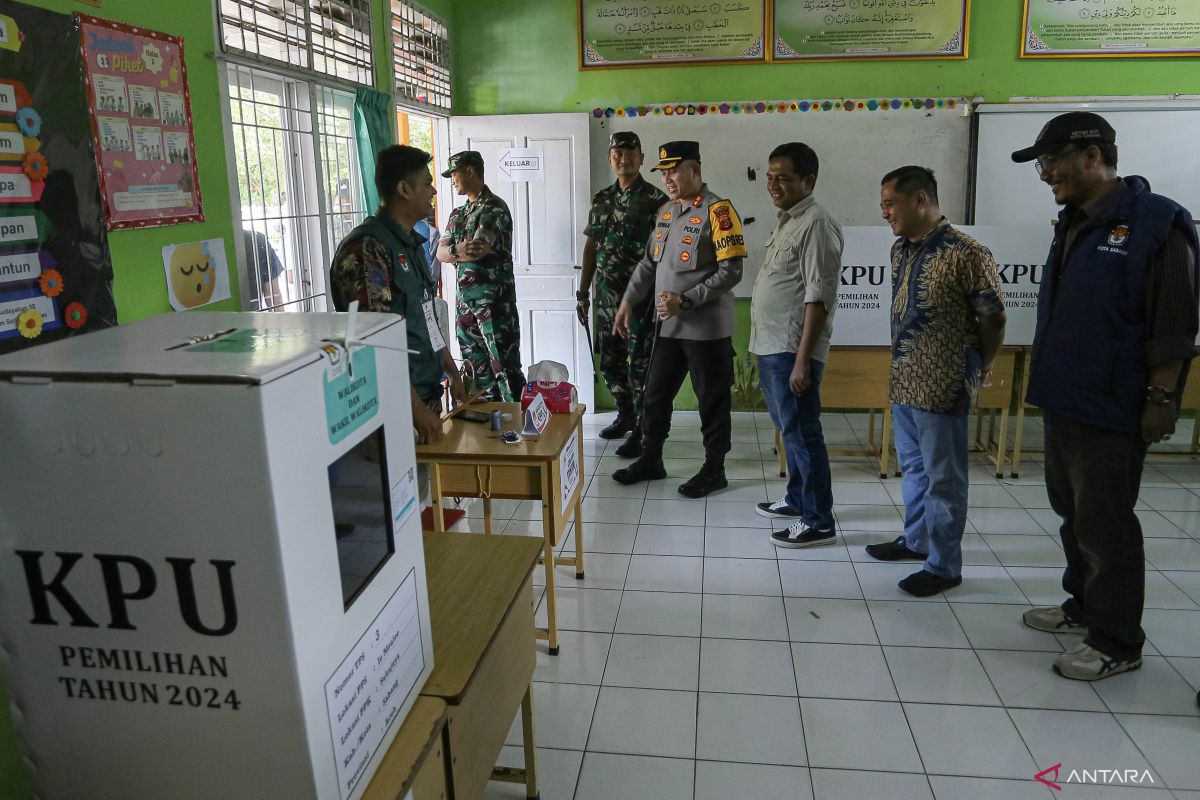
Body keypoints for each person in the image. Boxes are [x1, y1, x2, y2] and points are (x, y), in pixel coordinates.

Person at [1011, 112, 1199, 681]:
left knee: (1106, 522)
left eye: (1051, 162)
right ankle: (1084, 606)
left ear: (1092, 157)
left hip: (1113, 403)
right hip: (1067, 395)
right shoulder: (1073, 220)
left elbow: (1173, 324)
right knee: (1072, 512)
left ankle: (1117, 640)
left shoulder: (1155, 223)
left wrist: (1160, 399)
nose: (1045, 175)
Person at [865, 166, 1006, 597]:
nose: (885, 213)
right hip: (904, 380)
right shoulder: (900, 250)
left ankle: (944, 566)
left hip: (943, 383)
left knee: (944, 478)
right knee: (914, 470)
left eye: (891, 203)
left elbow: (993, 315)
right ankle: (916, 540)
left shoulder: (967, 252)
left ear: (921, 199)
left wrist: (981, 365)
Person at [611, 141, 745, 498]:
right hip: (667, 326)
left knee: (711, 401)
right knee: (654, 395)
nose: (667, 178)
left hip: (706, 329)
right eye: (663, 172)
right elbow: (649, 264)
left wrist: (686, 299)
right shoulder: (666, 212)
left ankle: (715, 468)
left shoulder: (719, 212)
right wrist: (628, 301)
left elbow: (732, 271)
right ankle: (652, 458)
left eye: (673, 170)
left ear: (694, 171)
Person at [330, 144, 466, 446]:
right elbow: (375, 343)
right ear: (404, 189)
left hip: (423, 396)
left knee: (424, 491)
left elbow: (427, 316)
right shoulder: (369, 249)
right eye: (427, 183)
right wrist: (415, 409)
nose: (433, 191)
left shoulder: (410, 244)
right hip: (393, 407)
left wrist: (451, 370)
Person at [750, 143, 842, 548]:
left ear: (808, 181)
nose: (773, 184)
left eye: (783, 177)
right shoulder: (790, 221)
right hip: (772, 345)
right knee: (790, 430)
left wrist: (802, 360)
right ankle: (797, 498)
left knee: (804, 433)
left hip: (791, 350)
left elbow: (817, 297)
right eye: (770, 176)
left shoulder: (817, 224)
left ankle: (818, 519)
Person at [578, 131, 668, 455]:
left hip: (640, 302)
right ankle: (626, 415)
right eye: (618, 153)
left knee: (641, 367)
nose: (623, 158)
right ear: (610, 159)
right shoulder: (602, 199)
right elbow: (591, 246)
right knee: (611, 363)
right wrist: (582, 292)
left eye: (630, 153)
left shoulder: (658, 201)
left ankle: (644, 430)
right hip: (605, 300)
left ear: (642, 159)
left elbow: (664, 256)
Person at [436, 150, 526, 401]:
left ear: (469, 171)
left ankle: (521, 428)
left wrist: (453, 251)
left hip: (494, 304)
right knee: (475, 368)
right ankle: (490, 427)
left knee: (505, 368)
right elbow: (440, 254)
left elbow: (478, 250)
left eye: (454, 174)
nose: (452, 180)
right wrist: (456, 250)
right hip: (466, 305)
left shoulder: (494, 207)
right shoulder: (458, 213)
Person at [243, 228, 285, 311]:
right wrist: (282, 323)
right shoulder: (257, 240)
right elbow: (273, 295)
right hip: (250, 318)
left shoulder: (257, 240)